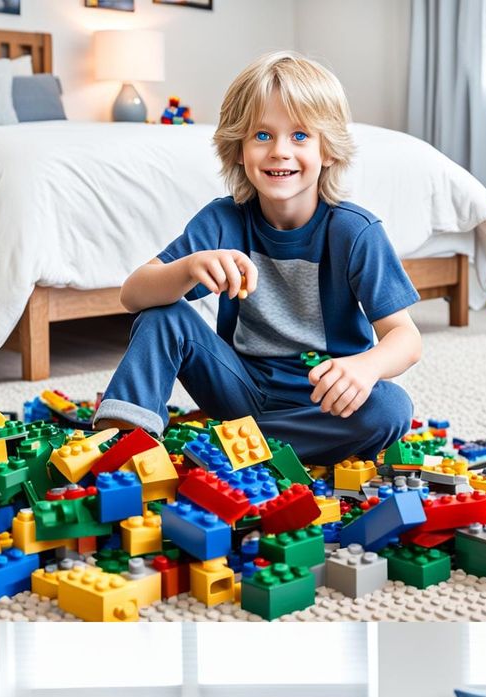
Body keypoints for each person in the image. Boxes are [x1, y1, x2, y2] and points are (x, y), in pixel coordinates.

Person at [93, 51, 422, 466]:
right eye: (262, 136)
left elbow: (405, 339)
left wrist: (366, 368)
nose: (279, 151)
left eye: (300, 136)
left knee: (391, 408)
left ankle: (228, 447)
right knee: (161, 315)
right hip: (239, 389)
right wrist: (188, 268)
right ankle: (124, 441)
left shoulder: (355, 232)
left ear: (328, 150)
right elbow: (133, 294)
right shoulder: (223, 219)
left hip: (324, 402)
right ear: (238, 148)